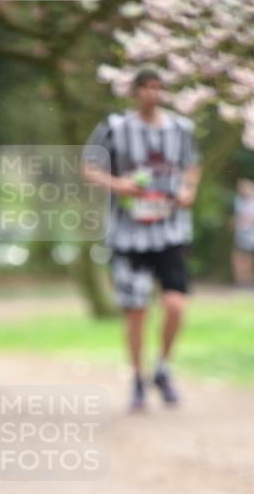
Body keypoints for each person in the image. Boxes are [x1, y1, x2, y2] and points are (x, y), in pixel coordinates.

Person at [82, 67, 202, 411]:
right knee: (136, 310)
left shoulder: (182, 128)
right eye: (146, 87)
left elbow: (193, 165)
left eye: (158, 87)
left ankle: (162, 367)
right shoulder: (115, 127)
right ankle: (136, 377)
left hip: (170, 231)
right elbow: (89, 167)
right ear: (134, 92)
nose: (152, 93)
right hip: (127, 236)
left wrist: (189, 189)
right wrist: (118, 185)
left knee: (175, 304)